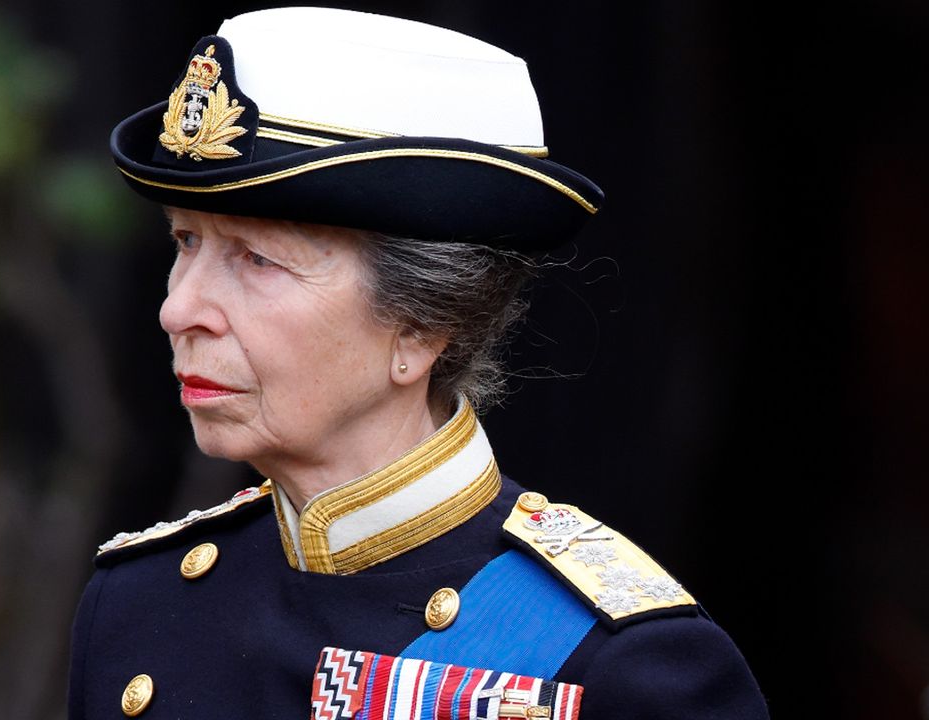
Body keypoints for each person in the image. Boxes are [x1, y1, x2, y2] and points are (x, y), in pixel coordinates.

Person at [68, 7, 769, 720]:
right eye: (185, 242)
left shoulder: (615, 664)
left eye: (258, 259)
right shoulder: (137, 607)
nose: (180, 309)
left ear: (424, 325)